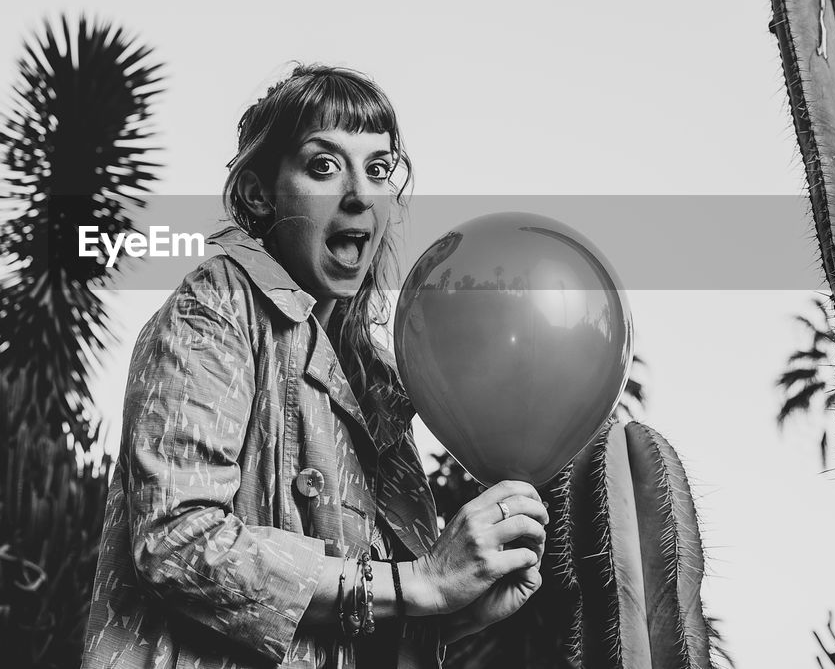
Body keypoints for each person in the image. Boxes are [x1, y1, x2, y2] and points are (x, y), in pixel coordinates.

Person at [81, 64, 549, 669]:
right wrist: (424, 583)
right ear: (259, 193)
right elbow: (176, 542)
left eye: (378, 170)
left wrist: (455, 607)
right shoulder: (216, 306)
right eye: (324, 166)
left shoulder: (375, 378)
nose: (358, 193)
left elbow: (348, 621)